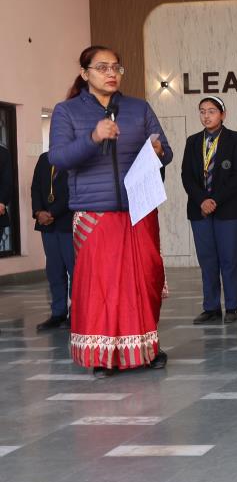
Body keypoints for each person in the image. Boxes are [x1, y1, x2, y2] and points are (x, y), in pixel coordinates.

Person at [48, 45, 172, 377]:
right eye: (102, 67)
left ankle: (147, 349)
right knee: (103, 289)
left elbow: (167, 151)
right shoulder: (67, 111)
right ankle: (105, 357)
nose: (111, 73)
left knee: (144, 282)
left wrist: (158, 150)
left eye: (116, 67)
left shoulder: (139, 108)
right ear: (85, 73)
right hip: (96, 214)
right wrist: (93, 136)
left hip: (139, 210)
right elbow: (58, 157)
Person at [181, 95, 237, 325]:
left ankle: (231, 306)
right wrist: (202, 200)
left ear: (223, 114)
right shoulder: (192, 142)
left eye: (211, 111)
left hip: (229, 211)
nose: (206, 116)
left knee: (229, 259)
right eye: (202, 111)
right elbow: (186, 176)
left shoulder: (236, 140)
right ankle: (211, 308)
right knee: (207, 260)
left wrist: (214, 200)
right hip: (199, 211)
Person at [30, 151, 75, 331]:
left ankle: (77, 313)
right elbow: (35, 187)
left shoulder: (75, 156)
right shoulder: (44, 158)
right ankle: (58, 313)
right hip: (47, 225)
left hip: (67, 223)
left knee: (74, 270)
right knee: (54, 271)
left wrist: (52, 213)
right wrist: (38, 211)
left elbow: (74, 190)